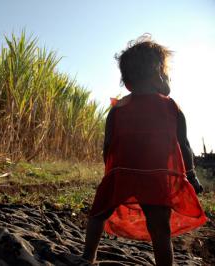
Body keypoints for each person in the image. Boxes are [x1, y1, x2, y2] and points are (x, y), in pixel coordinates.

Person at [82, 36, 207, 266]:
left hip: (122, 173)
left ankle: (87, 257)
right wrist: (191, 175)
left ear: (127, 82)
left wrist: (110, 173)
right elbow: (184, 144)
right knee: (160, 229)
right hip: (156, 177)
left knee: (98, 214)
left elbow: (108, 144)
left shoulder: (118, 109)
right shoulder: (171, 106)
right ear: (160, 75)